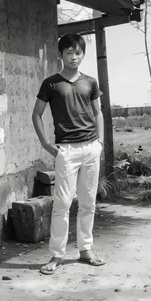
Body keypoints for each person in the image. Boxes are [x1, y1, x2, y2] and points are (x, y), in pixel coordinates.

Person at [32, 33, 106, 275]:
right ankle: (56, 255)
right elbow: (36, 115)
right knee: (62, 204)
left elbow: (98, 113)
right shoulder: (51, 83)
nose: (74, 57)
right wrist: (45, 143)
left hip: (91, 148)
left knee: (88, 202)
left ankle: (85, 250)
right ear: (60, 55)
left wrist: (101, 143)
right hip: (66, 149)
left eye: (78, 53)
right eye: (70, 53)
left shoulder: (91, 82)